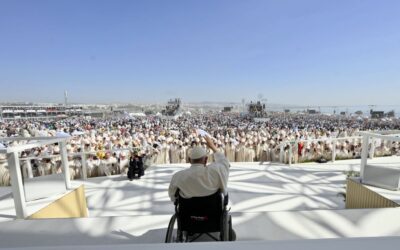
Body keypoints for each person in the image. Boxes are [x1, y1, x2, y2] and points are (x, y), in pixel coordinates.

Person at [168, 129, 235, 240]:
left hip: (188, 219)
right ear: (206, 160)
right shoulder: (215, 171)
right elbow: (225, 163)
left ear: (189, 160)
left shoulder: (178, 176)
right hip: (213, 218)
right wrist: (212, 146)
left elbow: (173, 197)